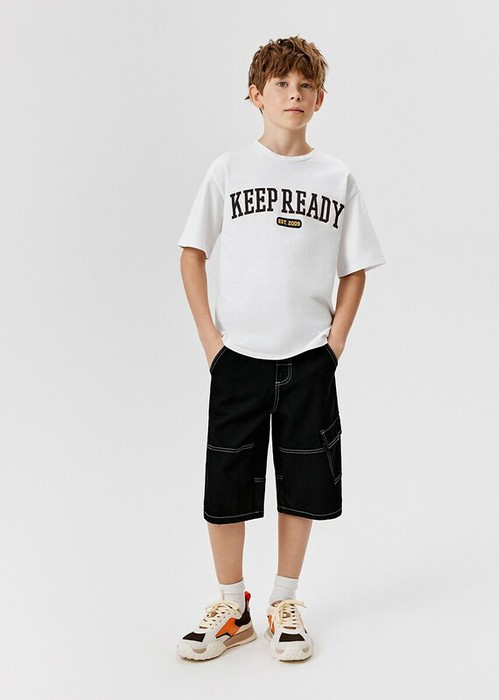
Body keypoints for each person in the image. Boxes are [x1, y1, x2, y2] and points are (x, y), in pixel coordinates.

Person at [175, 35, 386, 662]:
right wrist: (212, 343)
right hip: (237, 359)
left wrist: (333, 346)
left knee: (303, 481)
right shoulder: (228, 171)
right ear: (256, 95)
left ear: (320, 99)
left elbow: (355, 269)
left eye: (305, 86)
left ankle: (284, 600)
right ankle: (231, 605)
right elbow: (192, 253)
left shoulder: (336, 178)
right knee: (226, 482)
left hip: (308, 360)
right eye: (281, 85)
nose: (293, 95)